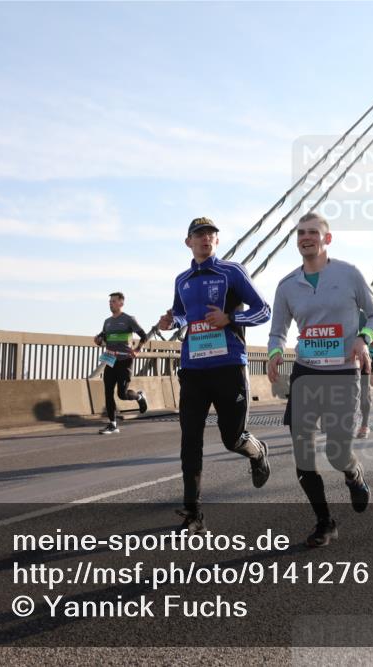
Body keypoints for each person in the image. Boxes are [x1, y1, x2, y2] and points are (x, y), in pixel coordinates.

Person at [267, 212, 373, 548]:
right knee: (303, 453)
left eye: (313, 232)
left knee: (336, 452)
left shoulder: (349, 274)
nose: (306, 237)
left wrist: (363, 338)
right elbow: (277, 331)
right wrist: (275, 353)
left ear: (326, 239)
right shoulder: (287, 285)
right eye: (301, 233)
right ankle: (324, 522)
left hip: (342, 373)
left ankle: (352, 472)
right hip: (306, 373)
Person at [158, 217, 273, 535]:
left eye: (211, 234)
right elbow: (182, 314)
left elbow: (263, 310)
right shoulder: (182, 280)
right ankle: (194, 514)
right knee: (189, 440)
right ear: (189, 242)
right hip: (193, 368)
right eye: (199, 234)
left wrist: (230, 318)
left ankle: (257, 451)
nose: (205, 238)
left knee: (231, 437)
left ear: (217, 241)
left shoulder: (232, 272)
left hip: (228, 366)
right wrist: (171, 321)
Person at [94, 292, 149, 434]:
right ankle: (112, 424)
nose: (110, 304)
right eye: (110, 302)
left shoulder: (129, 319)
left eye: (113, 301)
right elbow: (103, 337)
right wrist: (98, 340)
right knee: (108, 392)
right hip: (110, 360)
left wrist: (137, 350)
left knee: (122, 394)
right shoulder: (107, 321)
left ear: (121, 303)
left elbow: (144, 336)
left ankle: (139, 396)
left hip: (125, 361)